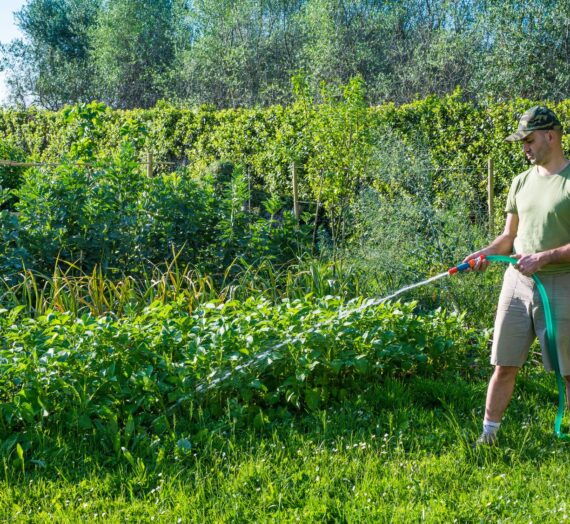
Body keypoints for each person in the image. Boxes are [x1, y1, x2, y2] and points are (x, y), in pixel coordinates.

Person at [465, 106, 570, 445]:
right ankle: (489, 434)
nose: (524, 147)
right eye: (522, 141)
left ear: (550, 136)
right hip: (517, 283)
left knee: (568, 371)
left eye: (529, 140)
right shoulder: (520, 182)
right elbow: (509, 237)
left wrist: (545, 257)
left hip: (560, 282)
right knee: (504, 364)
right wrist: (485, 252)